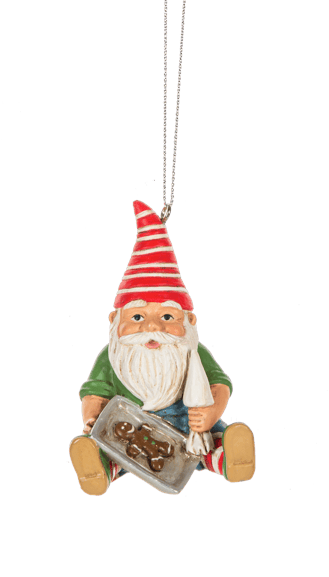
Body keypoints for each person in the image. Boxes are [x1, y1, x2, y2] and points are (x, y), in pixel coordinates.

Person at [69, 200, 256, 496]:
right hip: (129, 432)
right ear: (114, 321)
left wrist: (209, 413)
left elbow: (220, 385)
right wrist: (92, 417)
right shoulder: (111, 358)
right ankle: (98, 469)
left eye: (167, 317)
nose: (152, 327)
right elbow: (95, 393)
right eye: (137, 317)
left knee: (211, 441)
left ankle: (231, 458)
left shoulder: (193, 353)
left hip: (189, 427)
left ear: (190, 321)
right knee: (108, 445)